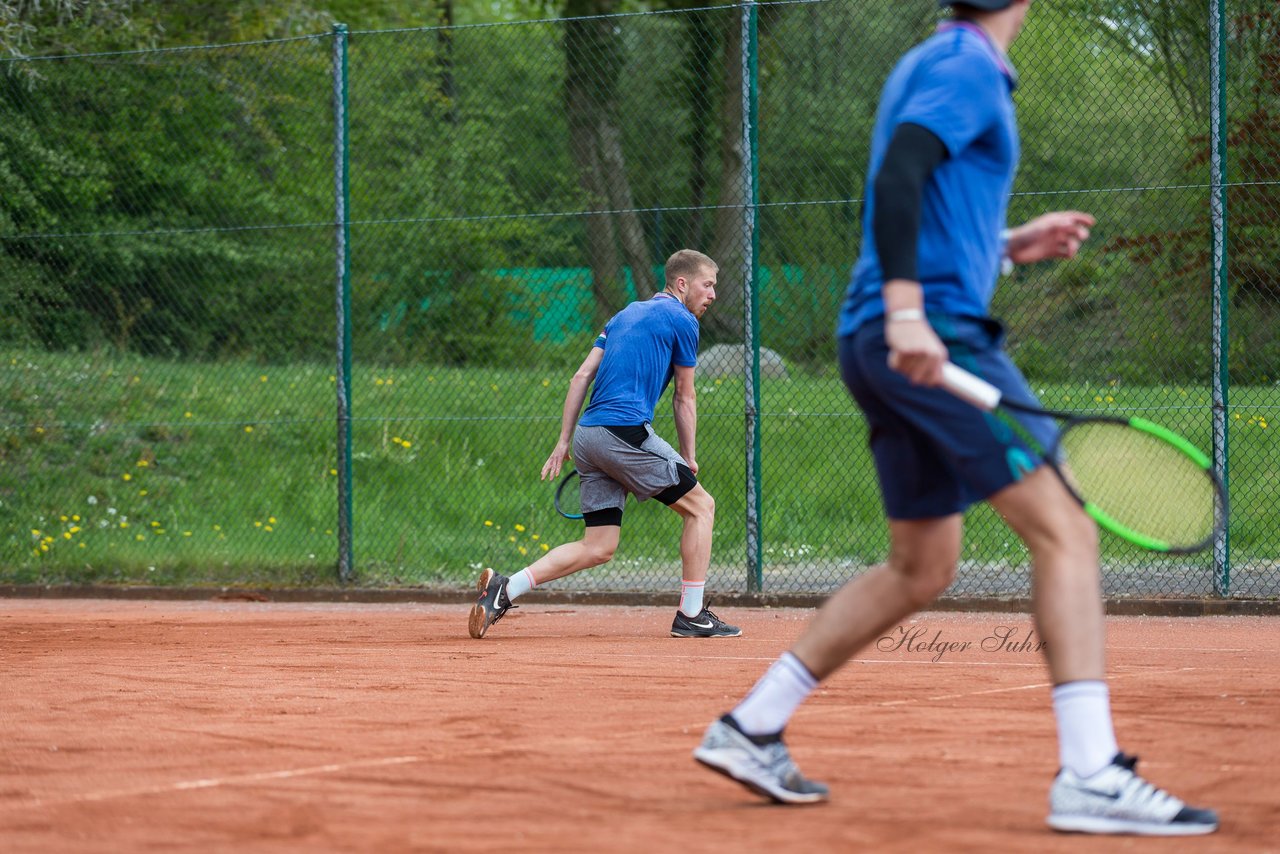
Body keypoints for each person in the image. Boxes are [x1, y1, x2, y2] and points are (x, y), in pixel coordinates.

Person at [692, 0, 1218, 836]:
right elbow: (901, 174)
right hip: (930, 335)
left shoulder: (934, 60)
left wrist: (1006, 245)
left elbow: (928, 202)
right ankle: (1090, 773)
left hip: (886, 338)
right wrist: (910, 313)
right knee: (1067, 529)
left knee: (922, 566)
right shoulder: (968, 66)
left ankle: (751, 725)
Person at [468, 248, 740, 640]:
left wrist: (564, 441)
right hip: (623, 431)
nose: (713, 294)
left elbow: (580, 377)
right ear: (682, 284)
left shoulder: (622, 315)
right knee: (701, 507)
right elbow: (685, 396)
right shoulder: (683, 320)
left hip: (588, 436)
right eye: (708, 284)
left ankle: (504, 590)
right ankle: (692, 615)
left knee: (598, 545)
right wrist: (689, 458)